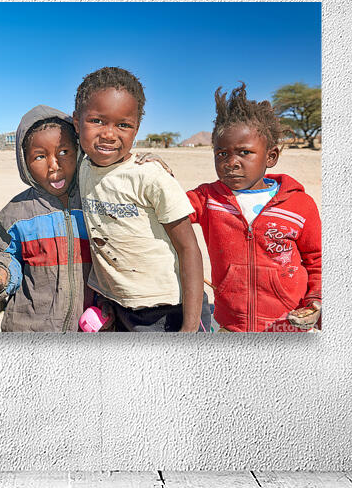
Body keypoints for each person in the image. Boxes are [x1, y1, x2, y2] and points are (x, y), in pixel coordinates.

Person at [73, 67, 207, 332]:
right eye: (97, 121)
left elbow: (189, 249)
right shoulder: (82, 167)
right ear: (77, 123)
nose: (109, 134)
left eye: (123, 125)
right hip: (119, 305)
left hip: (168, 309)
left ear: (136, 129)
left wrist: (190, 328)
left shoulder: (150, 176)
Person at [187, 83, 322, 332]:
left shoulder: (299, 205)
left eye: (244, 152)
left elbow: (317, 260)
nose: (231, 162)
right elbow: (170, 206)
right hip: (232, 326)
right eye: (221, 154)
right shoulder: (207, 198)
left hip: (289, 326)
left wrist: (316, 300)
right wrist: (156, 172)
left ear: (271, 157)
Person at [0, 106, 91, 331]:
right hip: (29, 328)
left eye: (64, 152)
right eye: (40, 156)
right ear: (25, 163)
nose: (54, 166)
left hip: (89, 326)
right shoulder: (16, 212)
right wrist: (1, 273)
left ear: (79, 150)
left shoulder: (93, 202)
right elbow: (6, 256)